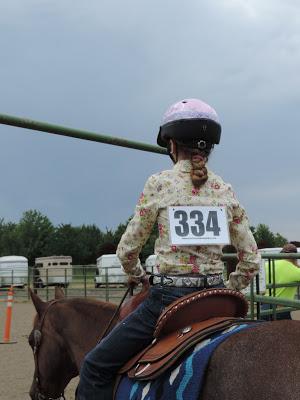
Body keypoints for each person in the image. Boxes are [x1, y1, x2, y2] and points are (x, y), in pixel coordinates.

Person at [76, 98, 260, 400]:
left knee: (95, 366)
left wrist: (138, 276)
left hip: (168, 300)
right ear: (209, 148)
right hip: (216, 296)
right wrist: (230, 287)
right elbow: (251, 258)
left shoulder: (159, 184)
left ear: (171, 144)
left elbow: (127, 250)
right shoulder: (224, 190)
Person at [263, 243, 300, 320]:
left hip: (264, 306)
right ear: (295, 257)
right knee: (290, 331)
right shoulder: (294, 270)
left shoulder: (267, 264)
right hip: (281, 308)